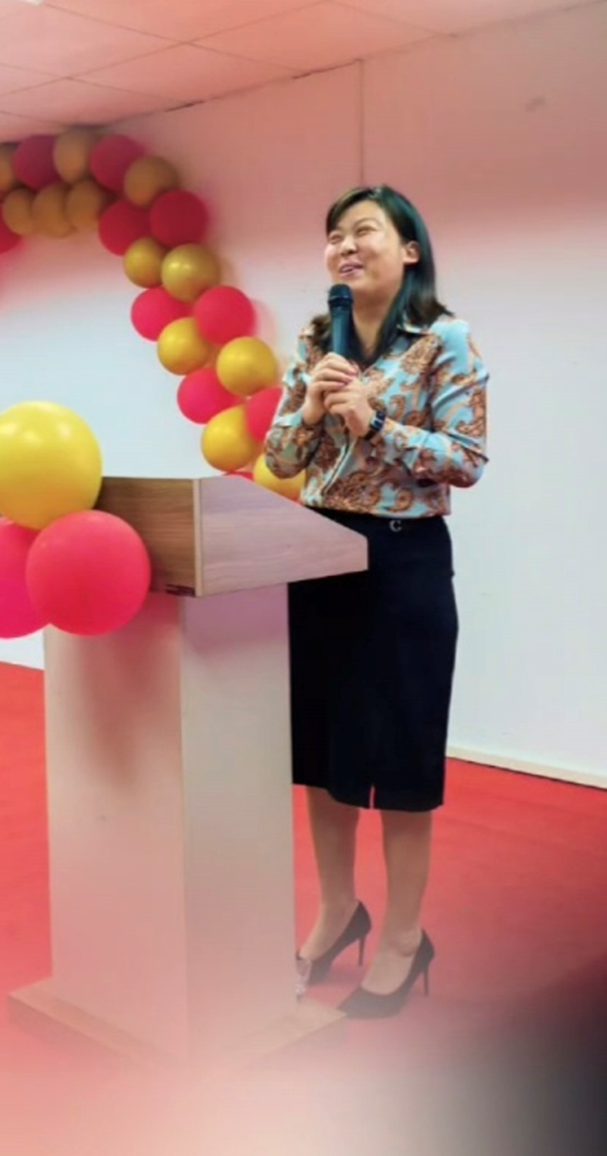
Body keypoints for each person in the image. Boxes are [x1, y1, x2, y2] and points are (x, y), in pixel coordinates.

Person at [264, 185, 488, 1019]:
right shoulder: (314, 339)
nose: (344, 246)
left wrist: (375, 424)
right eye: (334, 236)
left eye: (364, 231)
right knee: (322, 759)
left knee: (397, 758)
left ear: (409, 251)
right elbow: (279, 459)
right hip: (318, 557)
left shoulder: (443, 340)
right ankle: (336, 912)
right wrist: (311, 404)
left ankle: (401, 934)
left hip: (403, 563)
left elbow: (465, 460)